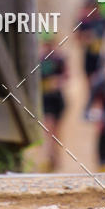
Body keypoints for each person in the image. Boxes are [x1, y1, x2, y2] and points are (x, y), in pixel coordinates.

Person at [39, 32, 68, 172]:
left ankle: (55, 156)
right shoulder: (39, 60)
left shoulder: (59, 59)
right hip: (46, 99)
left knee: (56, 131)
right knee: (48, 128)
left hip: (57, 99)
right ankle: (49, 156)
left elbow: (66, 76)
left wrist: (57, 82)